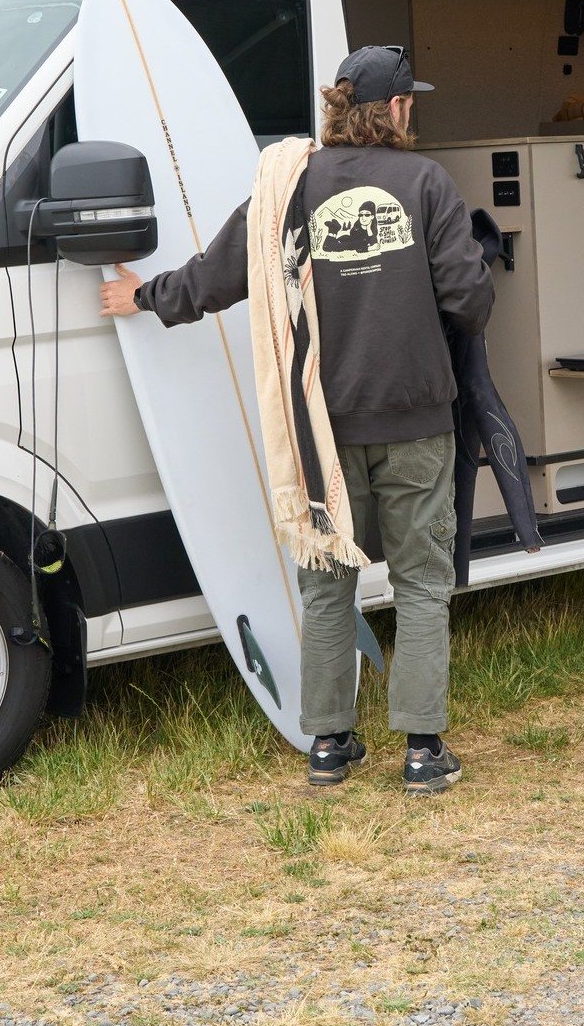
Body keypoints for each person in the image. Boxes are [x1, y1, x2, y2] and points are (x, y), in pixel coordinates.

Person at [99, 45, 494, 793]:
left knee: (325, 585)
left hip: (318, 430)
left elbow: (219, 277)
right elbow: (468, 301)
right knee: (418, 583)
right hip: (415, 422)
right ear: (399, 109)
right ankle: (420, 753)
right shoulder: (427, 183)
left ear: (337, 108)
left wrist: (143, 297)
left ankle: (329, 746)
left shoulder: (289, 188)